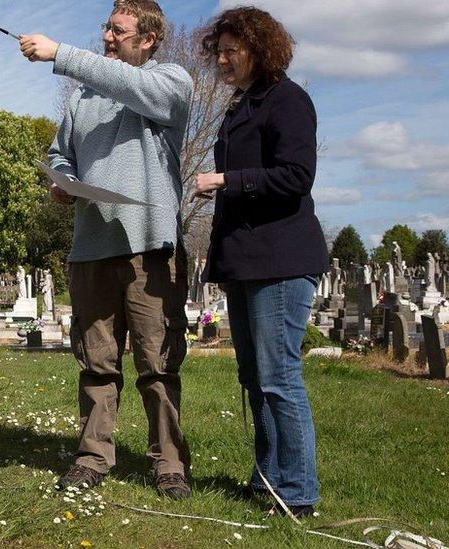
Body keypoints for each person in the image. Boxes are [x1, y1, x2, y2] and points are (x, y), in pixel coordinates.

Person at [19, 0, 193, 499]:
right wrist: (64, 181)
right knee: (96, 363)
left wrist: (60, 53)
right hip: (91, 249)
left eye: (118, 30)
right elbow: (60, 153)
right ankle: (93, 458)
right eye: (106, 28)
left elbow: (134, 87)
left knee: (158, 364)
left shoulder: (171, 83)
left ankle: (170, 466)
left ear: (148, 39)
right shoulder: (83, 96)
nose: (107, 36)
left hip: (150, 251)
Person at [193, 6, 328, 517]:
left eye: (232, 50)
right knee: (253, 377)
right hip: (245, 261)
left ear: (259, 49)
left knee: (279, 377)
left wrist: (227, 181)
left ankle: (297, 492)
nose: (223, 60)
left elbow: (296, 175)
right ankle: (268, 480)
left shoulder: (289, 101)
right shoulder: (239, 105)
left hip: (281, 260)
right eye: (219, 52)